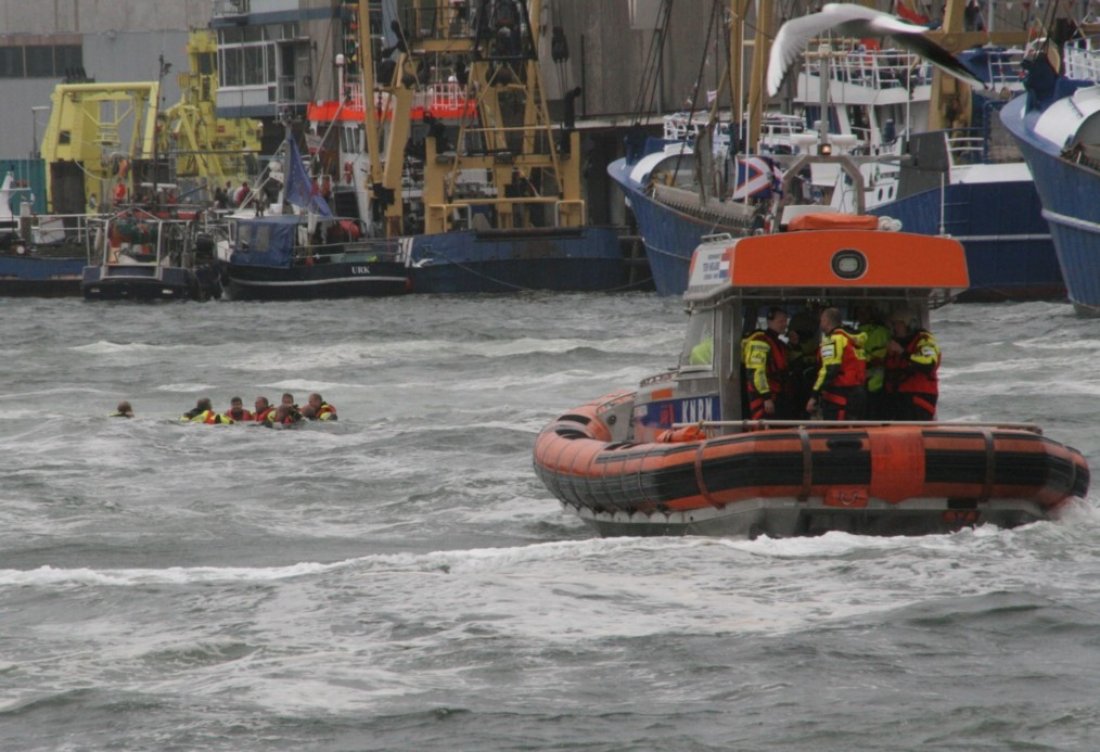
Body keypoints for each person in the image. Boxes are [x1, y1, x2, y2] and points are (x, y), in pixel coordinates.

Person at [806, 307, 867, 421]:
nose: (820, 324)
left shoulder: (834, 340)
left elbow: (830, 370)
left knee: (837, 431)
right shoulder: (852, 340)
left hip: (839, 395)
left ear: (826, 321)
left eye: (821, 321)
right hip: (857, 392)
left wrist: (814, 395)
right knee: (853, 429)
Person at [884, 308, 941, 421]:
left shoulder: (925, 341)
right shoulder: (895, 343)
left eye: (898, 324)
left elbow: (928, 364)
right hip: (900, 398)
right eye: (893, 324)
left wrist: (902, 352)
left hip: (919, 399)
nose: (895, 328)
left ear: (909, 324)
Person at [741, 307, 793, 419]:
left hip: (778, 396)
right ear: (770, 321)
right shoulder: (760, 341)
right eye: (781, 321)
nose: (784, 324)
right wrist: (766, 397)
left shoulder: (780, 344)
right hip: (763, 398)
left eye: (785, 321)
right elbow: (756, 372)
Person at [854, 304, 891, 419]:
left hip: (878, 385)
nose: (861, 315)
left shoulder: (882, 332)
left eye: (864, 312)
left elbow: (884, 358)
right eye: (859, 312)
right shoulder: (854, 333)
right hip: (860, 385)